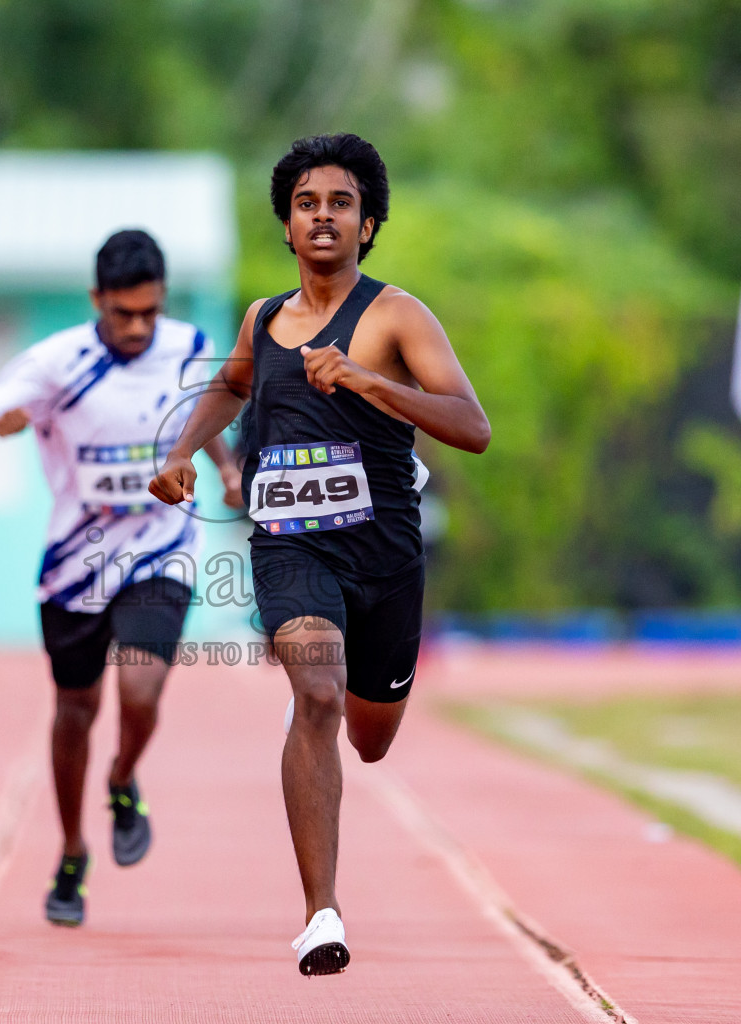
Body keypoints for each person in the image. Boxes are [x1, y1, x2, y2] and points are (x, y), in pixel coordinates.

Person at [149, 134, 489, 975]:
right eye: (307, 204)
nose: (323, 216)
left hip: (386, 561)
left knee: (370, 738)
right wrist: (183, 451)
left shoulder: (397, 316)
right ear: (288, 225)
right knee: (317, 692)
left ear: (368, 225)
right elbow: (231, 384)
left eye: (341, 203)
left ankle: (329, 868)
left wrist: (370, 382)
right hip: (292, 549)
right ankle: (321, 913)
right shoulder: (264, 320)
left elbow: (472, 427)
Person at [0, 229, 243, 927]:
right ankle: (73, 849)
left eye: (151, 311)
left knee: (140, 689)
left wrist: (230, 471)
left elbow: (205, 415)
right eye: (124, 314)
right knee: (75, 712)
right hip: (76, 563)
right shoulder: (57, 363)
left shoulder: (187, 346)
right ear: (96, 301)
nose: (140, 327)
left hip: (160, 548)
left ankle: (122, 778)